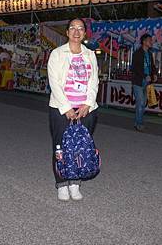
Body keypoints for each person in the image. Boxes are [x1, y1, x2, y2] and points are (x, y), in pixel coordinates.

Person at [47, 18, 99, 202]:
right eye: (72, 28)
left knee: (81, 146)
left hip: (85, 110)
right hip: (61, 109)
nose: (76, 32)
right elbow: (54, 82)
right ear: (67, 32)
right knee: (60, 147)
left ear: (85, 33)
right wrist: (67, 107)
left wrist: (88, 104)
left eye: (80, 29)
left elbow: (94, 81)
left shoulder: (90, 54)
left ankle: (75, 182)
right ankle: (61, 183)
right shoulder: (57, 54)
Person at [131, 33, 157, 132]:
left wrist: (154, 73)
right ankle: (139, 123)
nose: (151, 42)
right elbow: (135, 68)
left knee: (142, 103)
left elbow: (152, 66)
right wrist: (145, 76)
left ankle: (138, 122)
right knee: (141, 102)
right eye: (150, 40)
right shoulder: (137, 53)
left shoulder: (149, 54)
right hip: (138, 81)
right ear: (144, 42)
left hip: (147, 82)